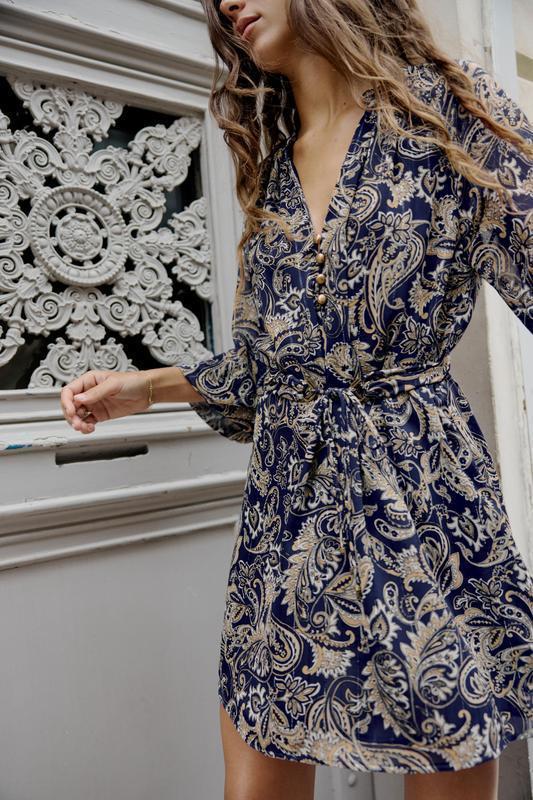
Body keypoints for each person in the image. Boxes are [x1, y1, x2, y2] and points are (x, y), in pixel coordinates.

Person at [60, 1, 533, 798]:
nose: (227, 4)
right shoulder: (274, 171)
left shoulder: (444, 112)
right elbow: (264, 368)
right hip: (287, 512)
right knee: (255, 771)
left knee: (447, 750)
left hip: (419, 495)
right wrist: (144, 387)